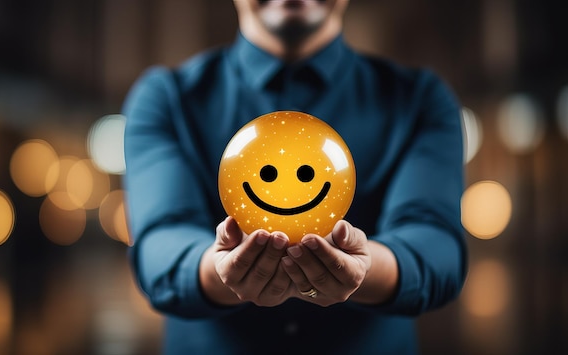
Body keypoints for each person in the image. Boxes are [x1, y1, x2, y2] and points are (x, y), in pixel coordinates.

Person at [122, 0, 467, 354]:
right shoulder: (164, 99)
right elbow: (159, 245)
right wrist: (217, 271)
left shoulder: (421, 100)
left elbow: (437, 244)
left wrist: (366, 270)